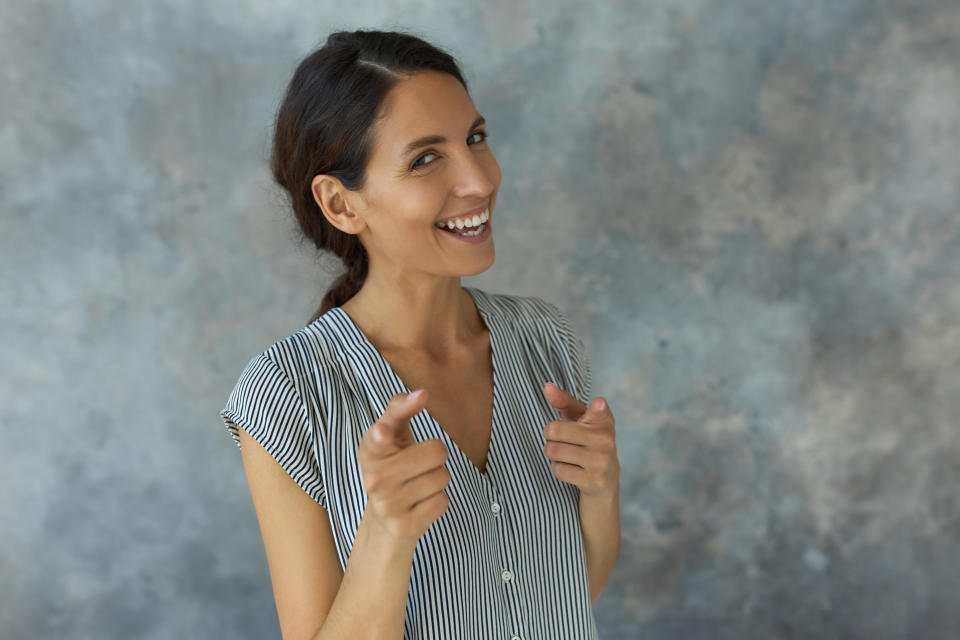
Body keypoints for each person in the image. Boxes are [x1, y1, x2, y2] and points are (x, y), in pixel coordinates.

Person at [220, 28, 621, 640]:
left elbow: (571, 594)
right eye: (426, 158)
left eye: (476, 139)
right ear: (341, 205)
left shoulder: (546, 341)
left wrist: (600, 490)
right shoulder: (287, 395)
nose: (480, 181)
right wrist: (387, 534)